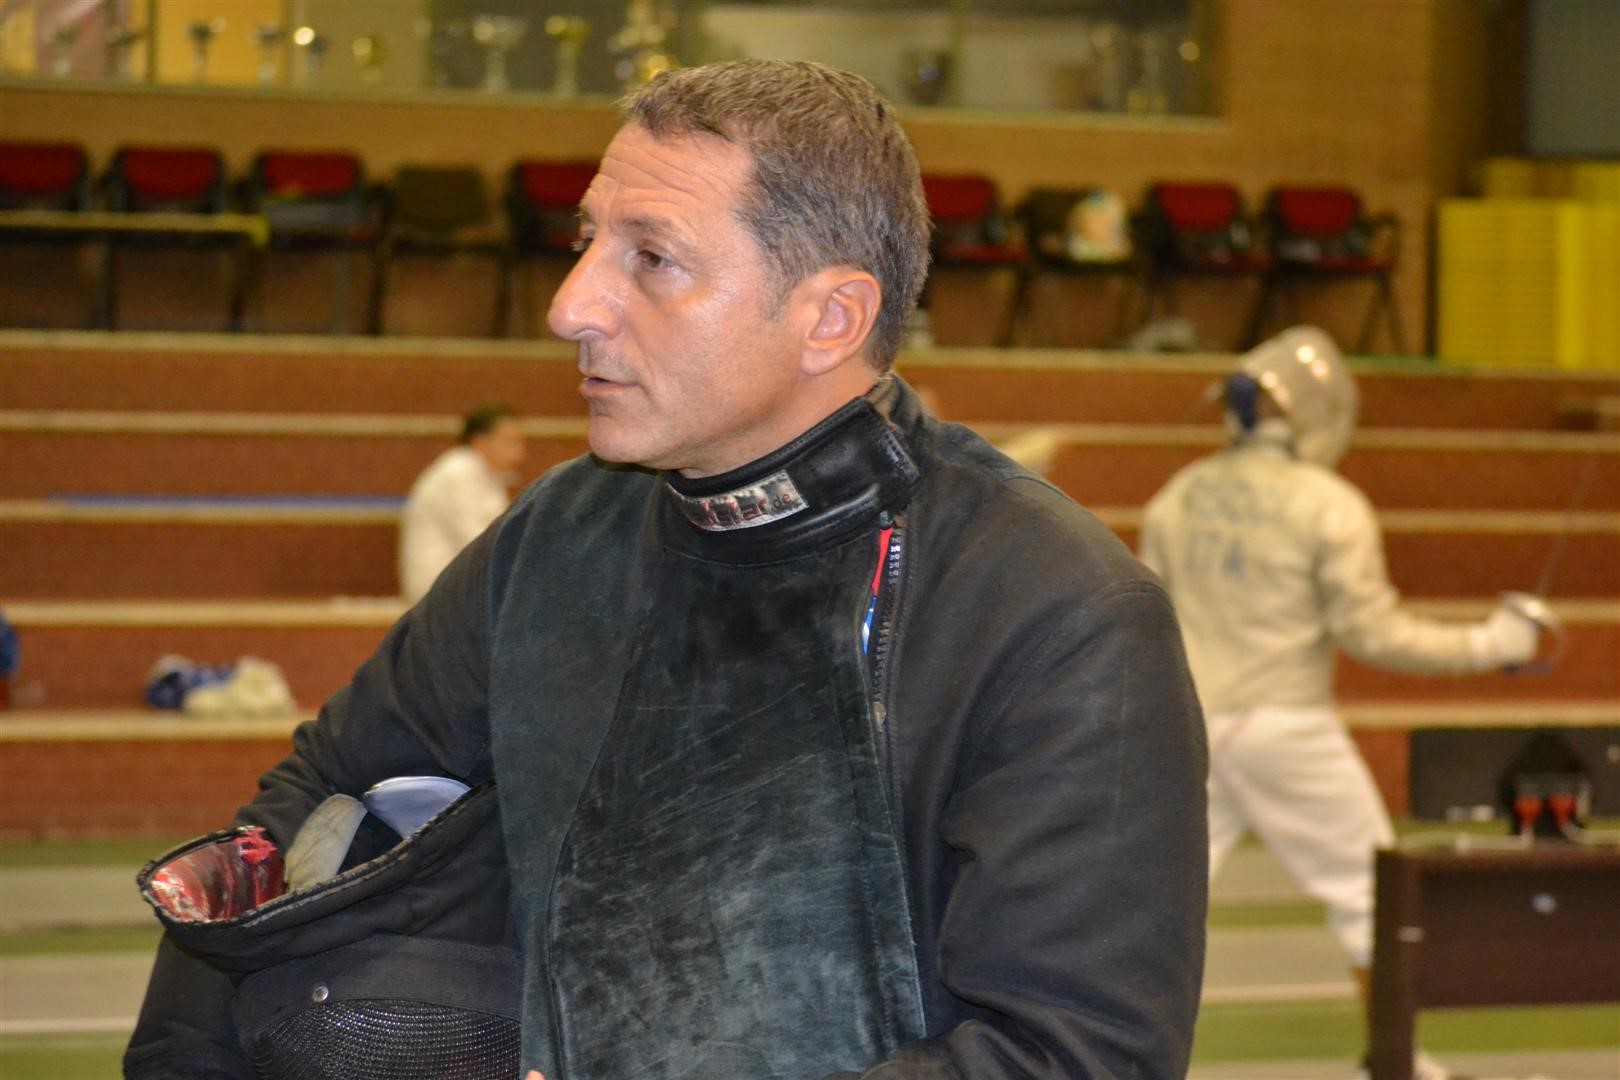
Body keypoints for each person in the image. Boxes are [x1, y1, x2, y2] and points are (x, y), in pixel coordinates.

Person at [126, 60, 1207, 1080]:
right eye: (588, 241)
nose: (571, 305)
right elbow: (289, 831)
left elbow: (1072, 1055)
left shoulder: (1054, 612)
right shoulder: (557, 537)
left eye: (652, 258)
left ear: (831, 318)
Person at [1138, 325, 1556, 1080]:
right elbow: (1375, 634)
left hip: (1187, 731)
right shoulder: (1329, 505)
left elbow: (1148, 618)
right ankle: (1398, 1066)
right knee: (1377, 901)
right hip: (1287, 731)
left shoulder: (1178, 495)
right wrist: (1495, 642)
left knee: (1139, 910)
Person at [398, 403, 526, 602]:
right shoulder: (458, 473)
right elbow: (478, 543)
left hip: (464, 585)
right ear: (480, 442)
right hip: (436, 591)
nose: (518, 452)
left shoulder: (489, 476)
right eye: (509, 442)